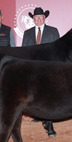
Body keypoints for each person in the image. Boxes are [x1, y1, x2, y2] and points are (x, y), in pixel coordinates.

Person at [22, 7, 60, 135]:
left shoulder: (53, 31)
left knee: (48, 97)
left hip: (48, 69)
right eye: (36, 17)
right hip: (32, 70)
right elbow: (24, 53)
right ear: (33, 19)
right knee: (36, 95)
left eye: (41, 17)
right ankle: (40, 116)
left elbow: (57, 52)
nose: (38, 19)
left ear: (44, 18)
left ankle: (49, 124)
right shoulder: (27, 34)